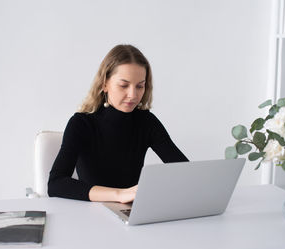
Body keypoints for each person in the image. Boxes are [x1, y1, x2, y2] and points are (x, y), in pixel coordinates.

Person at [48, 44, 188, 203]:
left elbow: (184, 172)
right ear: (104, 84)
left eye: (140, 86)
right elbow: (56, 184)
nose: (133, 95)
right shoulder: (81, 123)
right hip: (91, 214)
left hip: (133, 214)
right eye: (124, 85)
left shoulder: (147, 122)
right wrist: (119, 195)